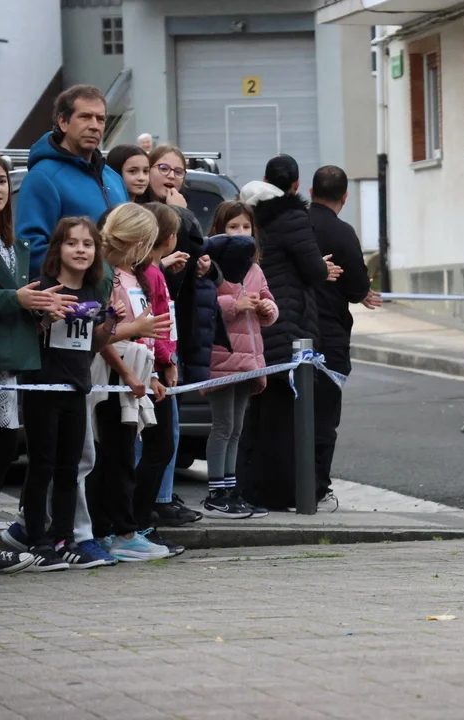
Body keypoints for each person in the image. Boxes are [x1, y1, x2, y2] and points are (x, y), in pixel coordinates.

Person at [235, 158, 341, 511]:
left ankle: (250, 488)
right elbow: (312, 267)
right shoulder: (293, 216)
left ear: (265, 178)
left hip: (256, 322)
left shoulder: (247, 213)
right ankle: (280, 493)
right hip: (288, 324)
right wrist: (323, 268)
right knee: (284, 416)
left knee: (257, 415)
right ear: (295, 185)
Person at [20, 217, 121, 571]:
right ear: (57, 249)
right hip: (42, 387)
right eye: (72, 243)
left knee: (70, 468)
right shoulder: (44, 287)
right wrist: (46, 318)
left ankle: (65, 539)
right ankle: (38, 540)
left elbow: (94, 344)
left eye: (88, 244)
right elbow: (26, 337)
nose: (80, 250)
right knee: (42, 466)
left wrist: (110, 324)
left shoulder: (94, 291)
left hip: (77, 388)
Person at [141, 144, 222, 526]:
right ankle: (146, 503)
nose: (170, 177)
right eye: (163, 168)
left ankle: (162, 496)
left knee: (169, 425)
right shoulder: (144, 213)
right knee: (148, 427)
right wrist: (181, 213)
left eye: (178, 171)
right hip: (143, 334)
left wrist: (206, 268)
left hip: (178, 331)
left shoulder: (180, 214)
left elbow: (202, 258)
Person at [87, 203, 172, 562]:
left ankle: (115, 529)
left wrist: (149, 374)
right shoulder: (107, 277)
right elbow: (101, 336)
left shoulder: (131, 276)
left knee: (121, 453)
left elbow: (142, 333)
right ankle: (118, 532)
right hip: (113, 374)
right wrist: (127, 372)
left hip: (134, 372)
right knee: (113, 456)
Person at [0, 162, 72, 575]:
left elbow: (21, 299)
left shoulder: (14, 242)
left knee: (6, 447)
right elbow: (12, 296)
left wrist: (42, 311)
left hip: (9, 364)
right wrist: (17, 299)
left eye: (1, 180)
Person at [309, 165, 380, 508]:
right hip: (330, 333)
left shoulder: (294, 227)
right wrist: (361, 290)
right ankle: (317, 488)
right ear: (345, 196)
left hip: (290, 330)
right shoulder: (342, 232)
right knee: (324, 416)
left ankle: (284, 483)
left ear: (310, 192)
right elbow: (356, 287)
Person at [201, 201, 277, 518]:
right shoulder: (210, 267)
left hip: (249, 361)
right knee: (223, 426)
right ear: (219, 231)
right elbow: (204, 307)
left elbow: (270, 305)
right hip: (222, 358)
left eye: (246, 227)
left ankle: (231, 490)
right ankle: (216, 492)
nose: (241, 232)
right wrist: (235, 304)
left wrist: (267, 309)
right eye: (233, 227)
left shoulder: (255, 269)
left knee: (236, 428)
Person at [15, 85, 128, 277]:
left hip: (119, 292)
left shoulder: (114, 178)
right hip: (71, 294)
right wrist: (87, 278)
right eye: (85, 117)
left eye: (100, 119)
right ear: (63, 122)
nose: (94, 126)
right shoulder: (42, 177)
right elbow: (30, 250)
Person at [132, 203, 187, 556]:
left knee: (161, 447)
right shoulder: (150, 274)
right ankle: (137, 521)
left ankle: (139, 520)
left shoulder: (153, 271)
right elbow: (157, 323)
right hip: (152, 368)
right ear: (167, 238)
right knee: (159, 447)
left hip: (158, 365)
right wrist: (166, 361)